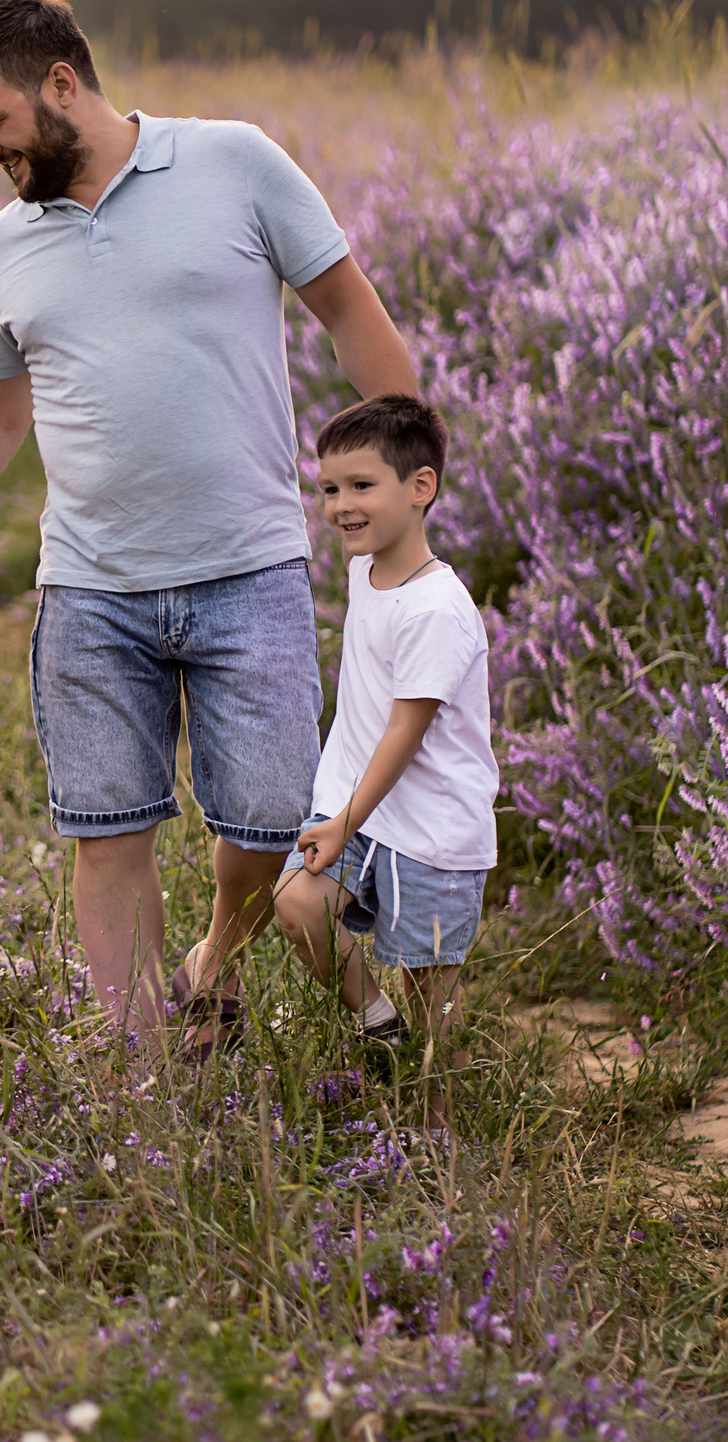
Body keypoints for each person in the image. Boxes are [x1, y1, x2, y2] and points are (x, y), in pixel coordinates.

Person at [0, 0, 420, 1040]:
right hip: (89, 587)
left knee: (266, 820)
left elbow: (348, 307)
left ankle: (216, 952)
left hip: (245, 568)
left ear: (60, 84)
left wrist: (407, 476)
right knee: (106, 831)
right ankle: (145, 1079)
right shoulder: (5, 247)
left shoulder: (234, 162)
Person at [277, 396, 496, 1123]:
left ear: (420, 487)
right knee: (299, 903)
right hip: (358, 803)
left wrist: (343, 819)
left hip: (430, 828)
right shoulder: (366, 569)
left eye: (361, 486)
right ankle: (377, 1023)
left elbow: (406, 728)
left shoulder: (438, 608)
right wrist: (342, 811)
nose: (340, 505)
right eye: (330, 488)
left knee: (432, 997)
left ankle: (438, 1133)